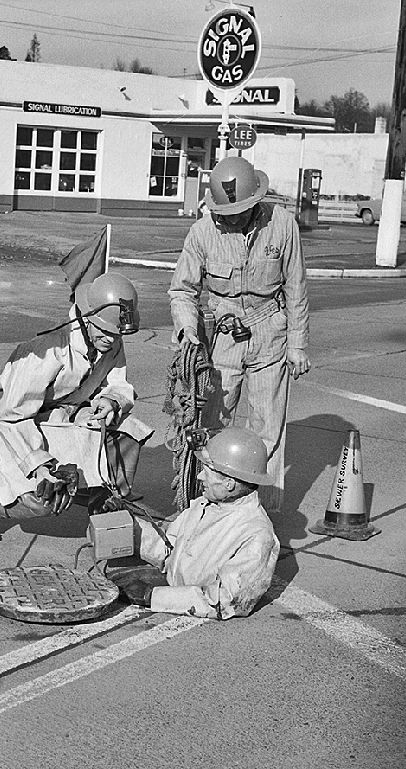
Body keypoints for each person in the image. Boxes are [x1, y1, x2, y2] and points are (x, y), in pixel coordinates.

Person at [0, 272, 154, 546]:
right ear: (87, 318)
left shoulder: (110, 339)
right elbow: (12, 418)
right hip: (20, 425)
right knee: (45, 497)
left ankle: (103, 502)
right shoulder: (48, 350)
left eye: (117, 334)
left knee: (128, 431)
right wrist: (40, 465)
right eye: (105, 331)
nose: (112, 340)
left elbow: (119, 384)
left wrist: (111, 400)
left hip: (69, 416)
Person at [169, 156, 311, 511]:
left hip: (269, 332)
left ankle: (261, 513)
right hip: (222, 336)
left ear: (255, 201)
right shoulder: (202, 232)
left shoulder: (282, 225)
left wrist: (297, 344)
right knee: (213, 423)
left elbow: (296, 287)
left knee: (267, 428)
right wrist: (188, 331)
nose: (229, 219)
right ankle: (205, 507)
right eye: (223, 212)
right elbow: (182, 290)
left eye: (237, 212)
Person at [105, 426, 280, 620]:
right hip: (174, 591)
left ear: (229, 483)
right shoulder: (205, 505)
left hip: (200, 625)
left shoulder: (257, 535)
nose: (199, 477)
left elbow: (226, 600)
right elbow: (168, 549)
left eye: (207, 472)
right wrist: (129, 524)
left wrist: (152, 596)